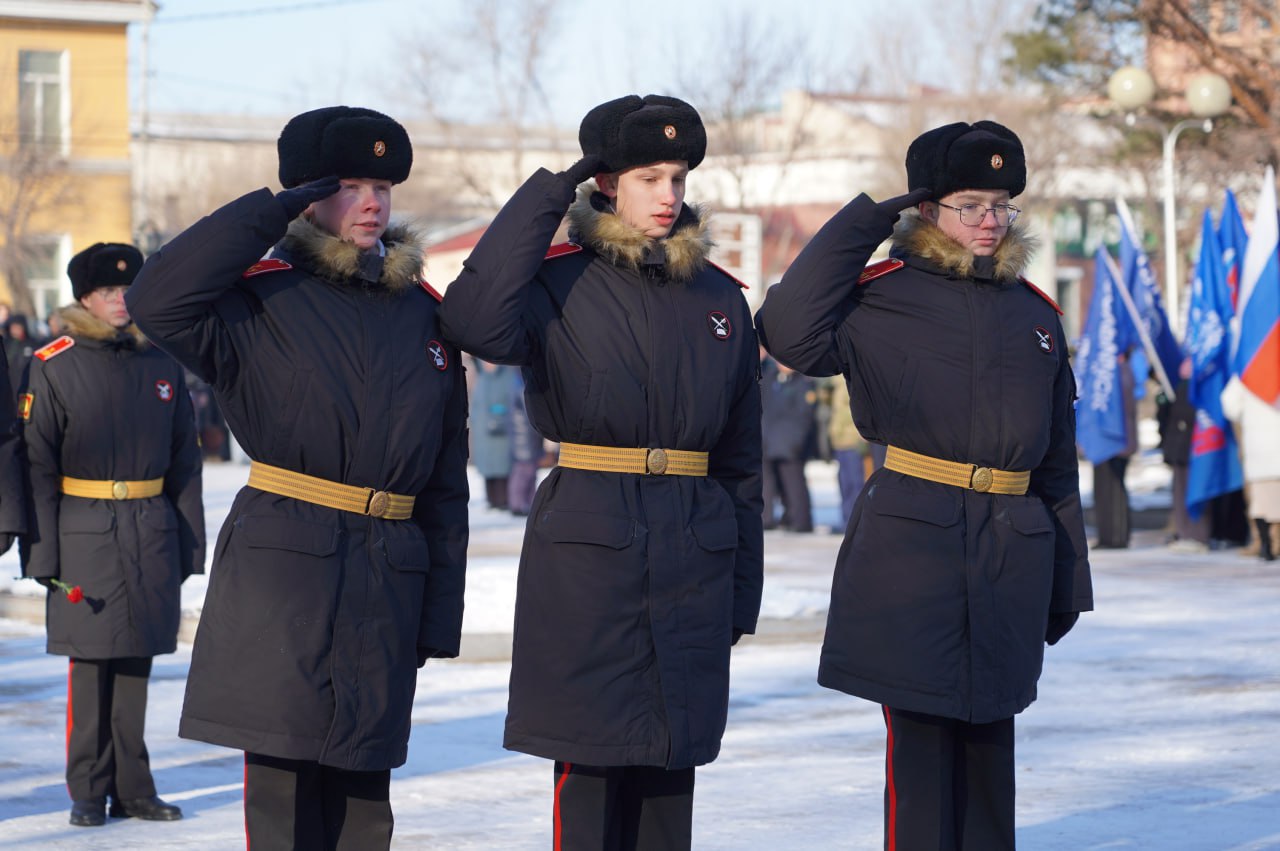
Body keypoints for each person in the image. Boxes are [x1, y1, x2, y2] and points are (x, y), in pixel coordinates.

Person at [125, 106, 470, 850]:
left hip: (387, 579)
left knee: (363, 811)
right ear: (307, 193)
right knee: (284, 808)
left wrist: (438, 612)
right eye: (348, 184)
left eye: (382, 183)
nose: (372, 201)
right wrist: (268, 211)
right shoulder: (258, 297)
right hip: (284, 576)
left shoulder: (422, 315)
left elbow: (444, 480)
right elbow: (156, 298)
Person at [755, 120, 1092, 850]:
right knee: (924, 764)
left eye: (1001, 204)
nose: (989, 221)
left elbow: (1056, 462)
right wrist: (867, 219)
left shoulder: (1035, 315)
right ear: (928, 206)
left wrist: (1068, 577)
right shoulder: (878, 297)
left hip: (1010, 551)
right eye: (970, 203)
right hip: (914, 551)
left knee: (989, 761)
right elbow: (785, 328)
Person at [438, 93, 763, 850]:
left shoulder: (719, 297)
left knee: (669, 772)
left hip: (692, 546)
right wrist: (552, 191)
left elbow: (740, 459)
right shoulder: (555, 279)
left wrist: (741, 585)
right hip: (590, 544)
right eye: (648, 176)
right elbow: (471, 320)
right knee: (589, 772)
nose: (669, 194)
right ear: (608, 182)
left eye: (678, 176)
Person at [18, 242, 205, 828]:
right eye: (107, 293)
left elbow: (184, 463)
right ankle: (87, 789)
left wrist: (188, 543)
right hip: (83, 535)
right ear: (84, 299)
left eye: (128, 290)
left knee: (137, 664)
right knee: (90, 666)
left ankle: (134, 788)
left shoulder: (162, 362)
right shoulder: (54, 362)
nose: (120, 301)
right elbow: (36, 466)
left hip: (149, 530)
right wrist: (42, 553)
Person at [760, 350, 816, 532]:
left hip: (789, 443)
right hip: (768, 441)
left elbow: (804, 416)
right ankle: (767, 518)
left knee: (794, 484)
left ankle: (800, 521)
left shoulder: (803, 383)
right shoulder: (771, 379)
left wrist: (795, 442)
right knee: (767, 484)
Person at [1156, 360, 1210, 551]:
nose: (1183, 365)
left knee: (1193, 492)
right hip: (1179, 448)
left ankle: (1195, 534)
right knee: (1179, 492)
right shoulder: (1180, 386)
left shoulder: (1197, 386)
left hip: (1193, 447)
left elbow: (1187, 415)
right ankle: (1184, 531)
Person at [825, 375, 873, 529]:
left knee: (855, 482)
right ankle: (846, 520)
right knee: (844, 482)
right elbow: (828, 402)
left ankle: (856, 522)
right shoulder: (835, 380)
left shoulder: (855, 377)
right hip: (839, 439)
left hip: (853, 438)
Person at [469, 357, 515, 510]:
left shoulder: (507, 377)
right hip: (483, 432)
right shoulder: (481, 378)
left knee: (502, 466)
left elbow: (511, 399)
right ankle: (491, 499)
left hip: (501, 430)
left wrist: (499, 413)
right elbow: (475, 404)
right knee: (487, 467)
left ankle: (503, 499)